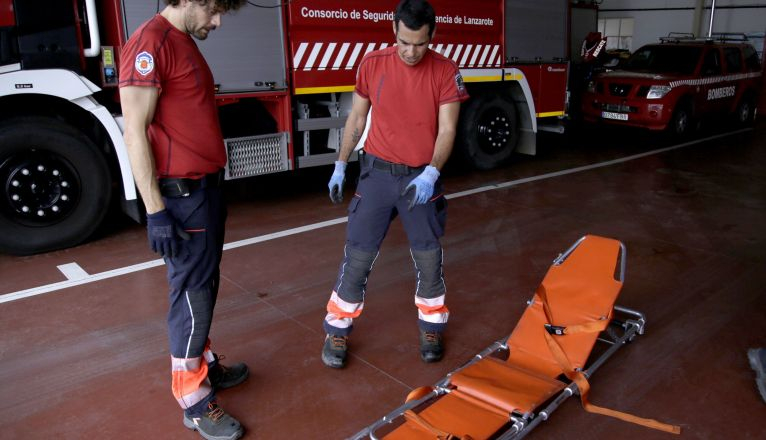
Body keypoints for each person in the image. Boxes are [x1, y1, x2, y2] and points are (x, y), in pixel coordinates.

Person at [119, 1, 247, 439]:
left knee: (205, 286)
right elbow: (134, 129)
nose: (217, 21)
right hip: (182, 197)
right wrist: (155, 211)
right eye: (213, 10)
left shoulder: (182, 42)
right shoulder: (150, 43)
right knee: (191, 296)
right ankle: (193, 401)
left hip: (205, 191)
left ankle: (205, 367)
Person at [321, 0, 469, 369]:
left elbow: (448, 128)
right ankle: (337, 328)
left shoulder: (445, 71)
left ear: (432, 36)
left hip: (421, 177)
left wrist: (432, 172)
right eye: (404, 41)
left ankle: (431, 325)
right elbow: (357, 117)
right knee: (357, 256)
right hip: (377, 176)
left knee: (428, 257)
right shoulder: (373, 64)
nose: (410, 51)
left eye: (419, 43)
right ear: (394, 30)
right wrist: (341, 163)